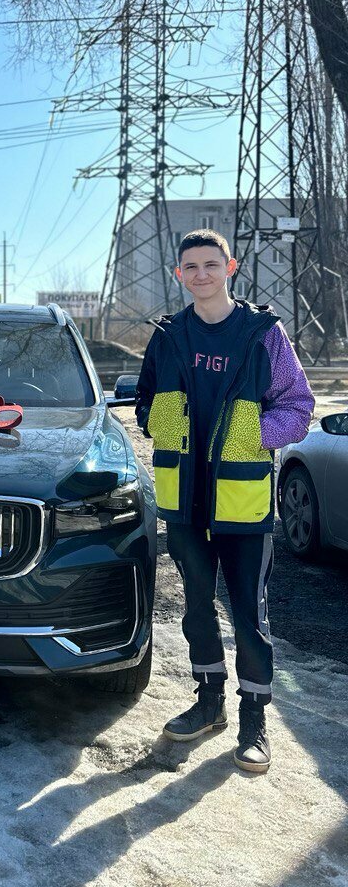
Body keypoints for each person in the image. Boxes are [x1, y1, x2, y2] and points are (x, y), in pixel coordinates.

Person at [135, 228, 314, 774]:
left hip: (242, 501)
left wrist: (254, 434)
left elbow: (297, 406)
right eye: (191, 266)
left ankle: (253, 718)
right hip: (185, 500)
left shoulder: (264, 334)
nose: (202, 274)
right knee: (196, 608)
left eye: (211, 264)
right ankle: (209, 702)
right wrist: (159, 423)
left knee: (248, 613)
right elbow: (144, 402)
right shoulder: (168, 336)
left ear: (230, 267)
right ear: (179, 274)